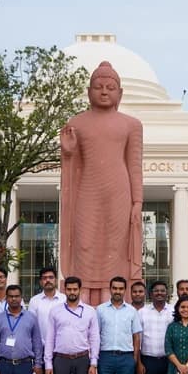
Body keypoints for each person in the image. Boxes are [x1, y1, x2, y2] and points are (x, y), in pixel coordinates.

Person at [59, 61, 143, 306]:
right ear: (88, 92)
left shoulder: (131, 125)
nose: (104, 91)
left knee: (115, 247)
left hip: (119, 192)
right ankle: (81, 301)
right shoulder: (77, 122)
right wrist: (68, 151)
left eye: (110, 87)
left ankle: (112, 300)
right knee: (84, 243)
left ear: (120, 93)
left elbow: (134, 165)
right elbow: (72, 163)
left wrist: (137, 201)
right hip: (87, 190)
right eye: (98, 87)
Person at [27, 267, 66, 374]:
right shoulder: (35, 302)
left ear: (56, 279)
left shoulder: (64, 299)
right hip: (40, 353)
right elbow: (31, 328)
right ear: (40, 281)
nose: (48, 280)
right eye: (44, 278)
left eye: (51, 277)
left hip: (60, 352)